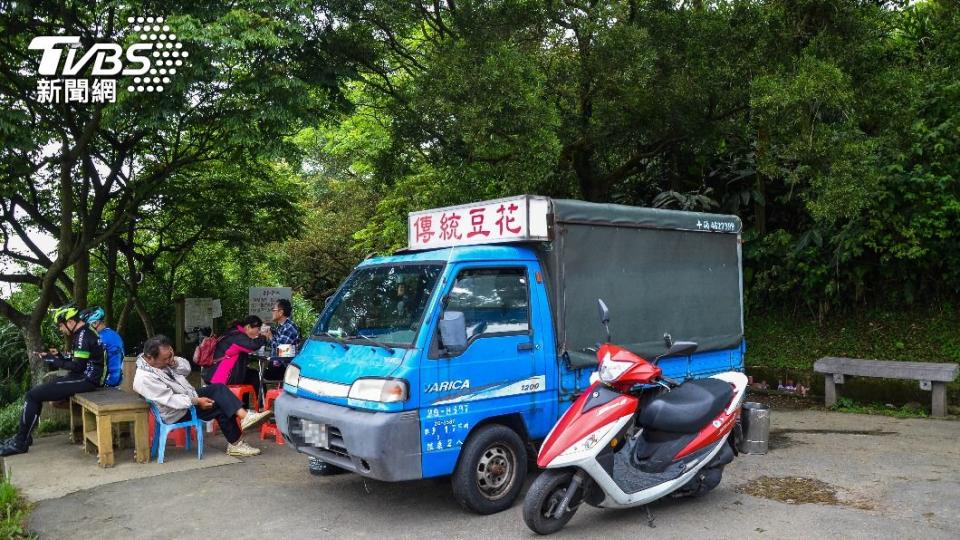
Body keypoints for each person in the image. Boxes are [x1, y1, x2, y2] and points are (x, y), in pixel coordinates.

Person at [133, 335, 271, 457]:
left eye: (171, 355)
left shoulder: (161, 362)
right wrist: (197, 401)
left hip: (187, 397)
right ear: (150, 357)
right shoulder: (144, 378)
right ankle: (236, 443)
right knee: (220, 406)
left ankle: (245, 417)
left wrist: (174, 362)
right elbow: (171, 400)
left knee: (218, 388)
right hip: (175, 411)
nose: (169, 359)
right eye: (166, 358)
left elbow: (186, 369)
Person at [0, 305, 105, 456]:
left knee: (32, 395)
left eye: (61, 325)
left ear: (70, 322)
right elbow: (80, 359)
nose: (60, 329)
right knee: (35, 395)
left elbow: (76, 366)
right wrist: (59, 356)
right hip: (83, 377)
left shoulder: (83, 336)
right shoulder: (83, 334)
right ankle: (23, 438)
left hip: (86, 380)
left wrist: (52, 360)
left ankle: (20, 442)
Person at [200, 315, 269, 396]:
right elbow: (253, 345)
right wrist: (264, 337)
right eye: (258, 329)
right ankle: (261, 406)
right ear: (248, 327)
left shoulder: (233, 332)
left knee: (251, 375)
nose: (258, 332)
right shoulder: (238, 336)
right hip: (221, 376)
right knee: (253, 376)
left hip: (213, 373)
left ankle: (245, 406)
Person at [82, 306, 125, 387]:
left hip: (108, 384)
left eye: (87, 326)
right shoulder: (110, 334)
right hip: (114, 381)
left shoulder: (102, 338)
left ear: (95, 323)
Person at [261, 298, 300, 381]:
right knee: (260, 373)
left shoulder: (289, 327)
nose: (272, 312)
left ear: (281, 312)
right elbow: (274, 344)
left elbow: (281, 350)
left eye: (274, 309)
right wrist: (267, 335)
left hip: (287, 368)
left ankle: (264, 393)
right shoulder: (281, 326)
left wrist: (270, 336)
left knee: (259, 375)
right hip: (278, 364)